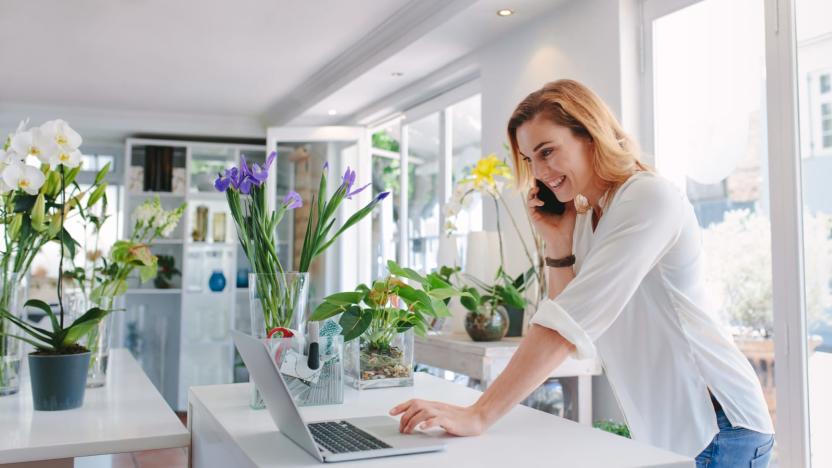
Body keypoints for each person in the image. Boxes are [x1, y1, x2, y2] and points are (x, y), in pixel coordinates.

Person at [389, 79, 774, 467]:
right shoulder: (592, 217)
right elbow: (568, 315)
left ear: (590, 135)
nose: (539, 172)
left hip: (719, 424)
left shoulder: (648, 198)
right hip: (675, 427)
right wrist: (559, 244)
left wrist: (480, 412)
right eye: (529, 159)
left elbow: (567, 323)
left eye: (547, 151)